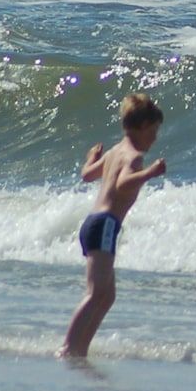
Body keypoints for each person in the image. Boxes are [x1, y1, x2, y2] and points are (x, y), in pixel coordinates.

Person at [59, 93, 167, 360]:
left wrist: (90, 157)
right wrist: (150, 173)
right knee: (96, 293)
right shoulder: (133, 158)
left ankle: (79, 350)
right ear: (141, 127)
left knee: (106, 297)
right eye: (153, 131)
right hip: (105, 224)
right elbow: (122, 185)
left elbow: (87, 175)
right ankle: (68, 348)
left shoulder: (113, 152)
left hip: (95, 224)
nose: (155, 138)